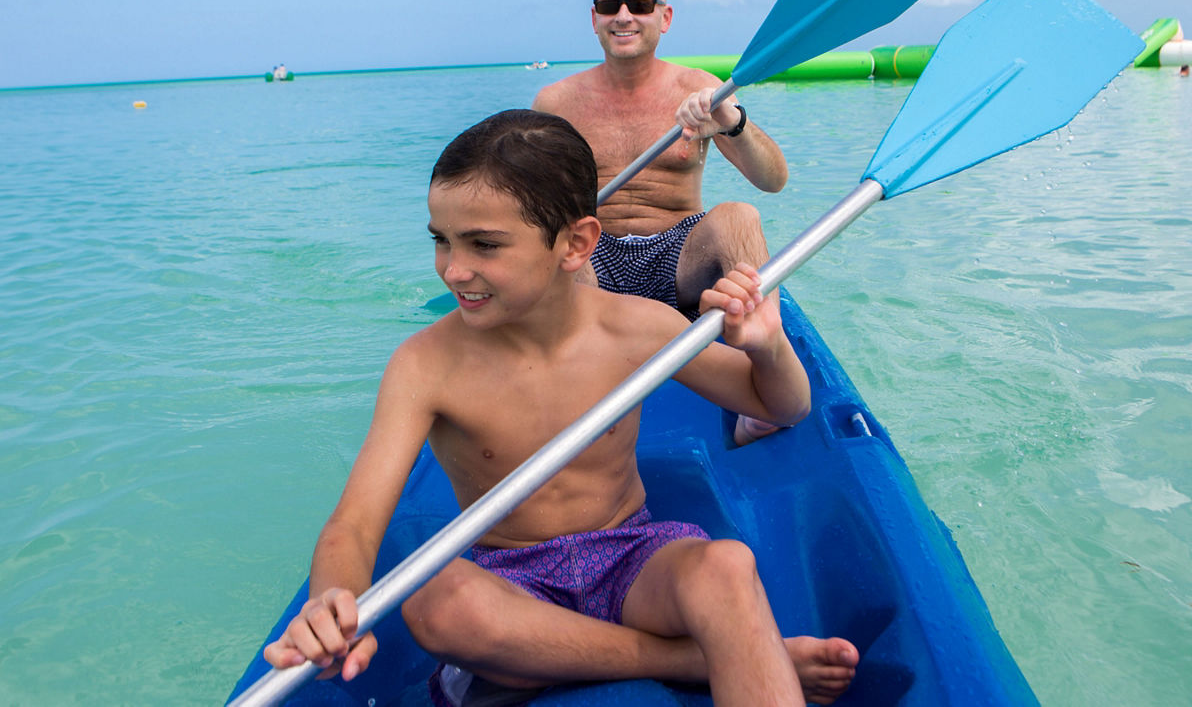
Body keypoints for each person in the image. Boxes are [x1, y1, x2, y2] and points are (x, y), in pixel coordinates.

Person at [263, 110, 859, 706]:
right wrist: (329, 599)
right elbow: (356, 523)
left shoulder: (636, 328)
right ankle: (696, 660)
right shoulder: (427, 364)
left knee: (726, 568)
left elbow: (781, 405)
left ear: (575, 244)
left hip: (631, 557)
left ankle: (585, 654)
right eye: (440, 240)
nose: (453, 269)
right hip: (513, 579)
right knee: (437, 601)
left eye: (484, 245)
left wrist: (768, 345)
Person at [533, 0, 790, 445]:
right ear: (594, 18)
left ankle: (763, 379)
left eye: (640, 5)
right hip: (595, 256)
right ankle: (570, 383)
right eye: (610, 6)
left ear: (665, 17)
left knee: (739, 216)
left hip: (678, 257)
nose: (624, 16)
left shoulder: (700, 89)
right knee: (561, 239)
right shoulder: (555, 102)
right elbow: (532, 201)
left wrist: (731, 122)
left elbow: (772, 180)